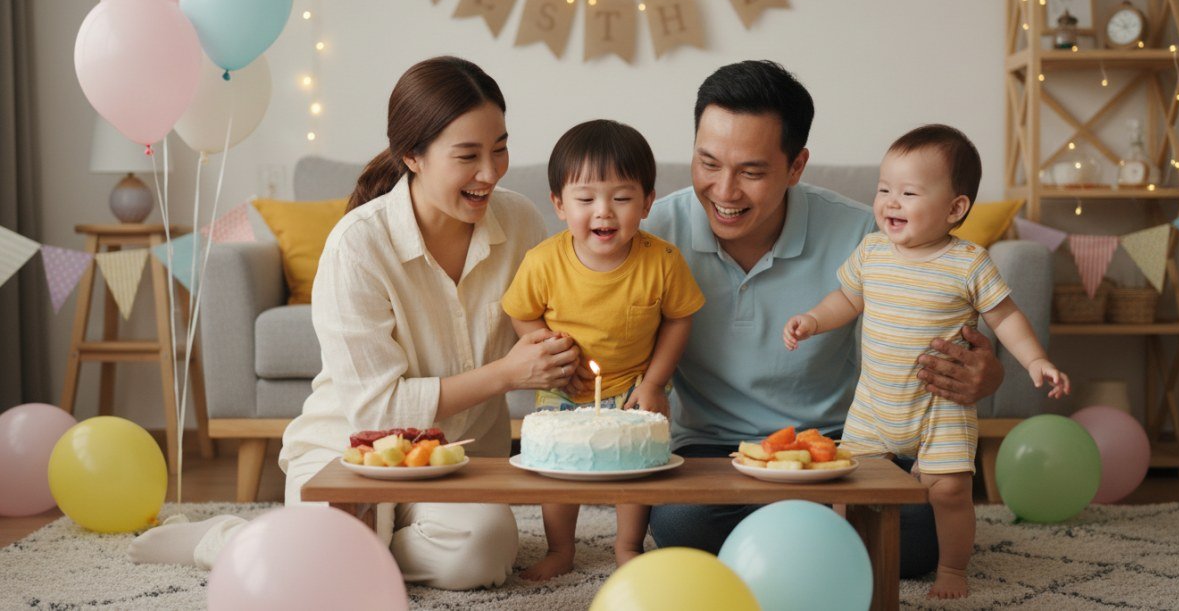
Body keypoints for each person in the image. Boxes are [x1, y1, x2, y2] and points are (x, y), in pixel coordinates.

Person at [129, 56, 581, 591]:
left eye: (500, 148)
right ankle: (235, 539)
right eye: (469, 156)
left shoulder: (521, 220)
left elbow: (550, 320)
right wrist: (507, 375)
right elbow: (379, 410)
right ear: (412, 155)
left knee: (480, 557)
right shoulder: (358, 244)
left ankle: (329, 548)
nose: (490, 171)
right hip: (350, 451)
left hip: (459, 462)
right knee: (333, 566)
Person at [641, 60, 1006, 578]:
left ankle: (792, 537)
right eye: (708, 163)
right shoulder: (655, 231)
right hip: (716, 451)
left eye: (751, 171)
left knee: (925, 533)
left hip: (840, 447)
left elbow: (954, 338)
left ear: (796, 167)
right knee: (681, 524)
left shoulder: (867, 235)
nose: (724, 191)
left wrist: (984, 375)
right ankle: (823, 538)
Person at [783, 124, 1069, 598]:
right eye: (884, 190)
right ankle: (845, 559)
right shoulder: (872, 251)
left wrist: (1036, 360)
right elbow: (846, 299)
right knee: (851, 491)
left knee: (950, 492)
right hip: (875, 404)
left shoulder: (969, 262)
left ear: (955, 208)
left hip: (941, 408)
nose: (890, 202)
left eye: (909, 192)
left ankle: (953, 569)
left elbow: (1006, 317)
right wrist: (813, 320)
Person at [502, 120, 704, 580]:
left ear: (648, 202)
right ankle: (560, 549)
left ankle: (627, 546)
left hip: (636, 385)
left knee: (636, 469)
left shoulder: (663, 261)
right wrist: (548, 351)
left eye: (621, 197)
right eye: (586, 198)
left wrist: (654, 383)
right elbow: (520, 312)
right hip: (565, 385)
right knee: (555, 472)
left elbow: (680, 317)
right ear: (558, 204)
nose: (604, 212)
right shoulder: (543, 261)